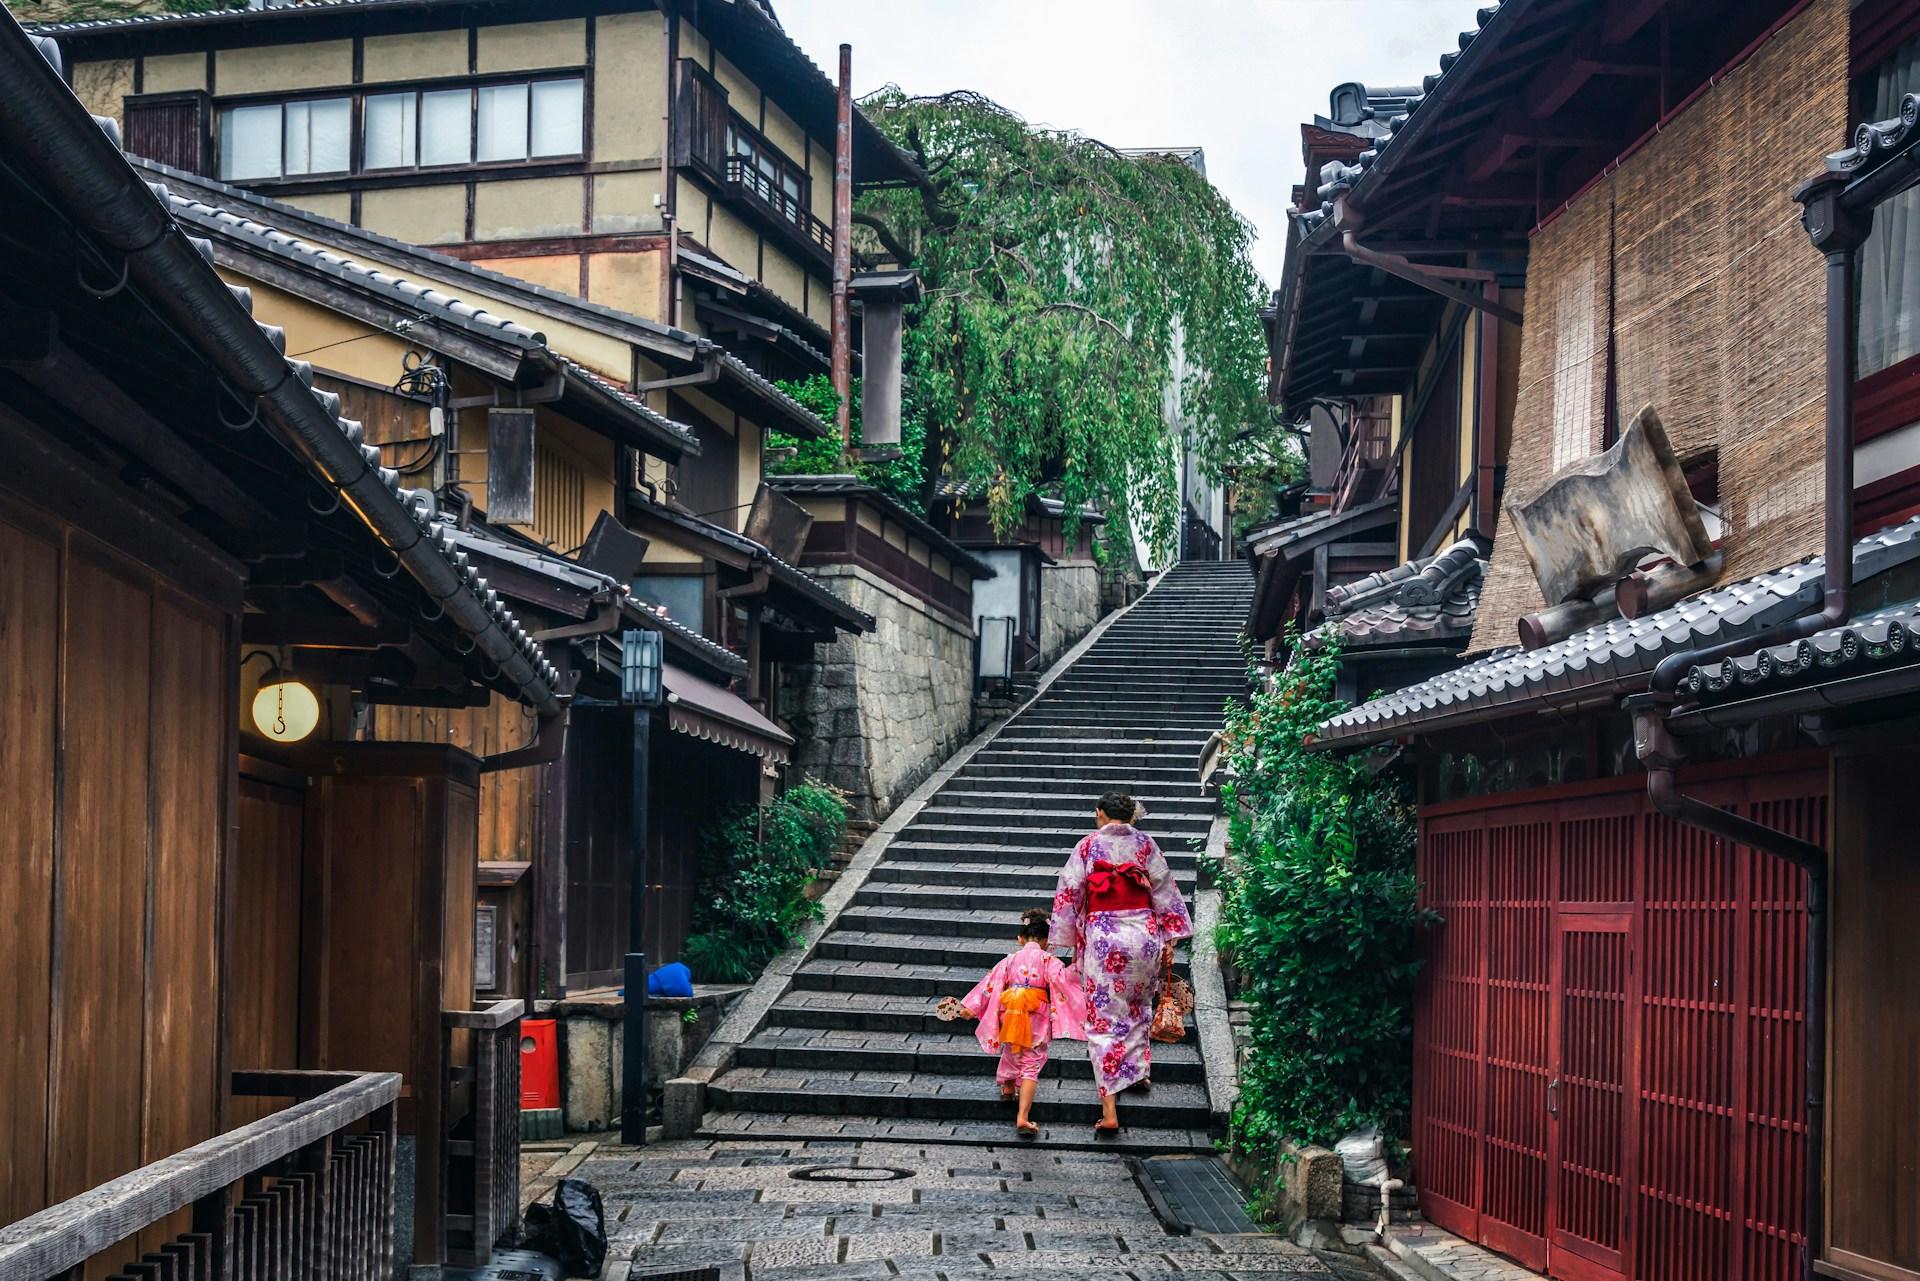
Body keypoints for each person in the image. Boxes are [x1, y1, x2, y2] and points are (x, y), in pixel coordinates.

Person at [1050, 790, 1192, 1136]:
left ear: (1100, 813)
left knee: (1102, 1019)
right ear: (1129, 815)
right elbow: (1164, 889)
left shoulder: (1087, 847)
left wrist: (1066, 939)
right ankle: (1139, 1072)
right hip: (1143, 933)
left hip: (1104, 937)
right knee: (1138, 1005)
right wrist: (1169, 937)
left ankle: (1110, 1110)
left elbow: (1070, 893)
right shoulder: (1145, 845)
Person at [949, 907, 1087, 1138]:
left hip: (1010, 1008)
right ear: (1046, 940)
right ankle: (1022, 1116)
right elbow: (1065, 980)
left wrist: (970, 1009)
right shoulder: (1048, 960)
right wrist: (1075, 964)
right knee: (1031, 1062)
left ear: (1020, 939)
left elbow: (989, 985)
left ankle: (1008, 1086)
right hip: (1036, 1012)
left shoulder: (1010, 960)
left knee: (1012, 1047)